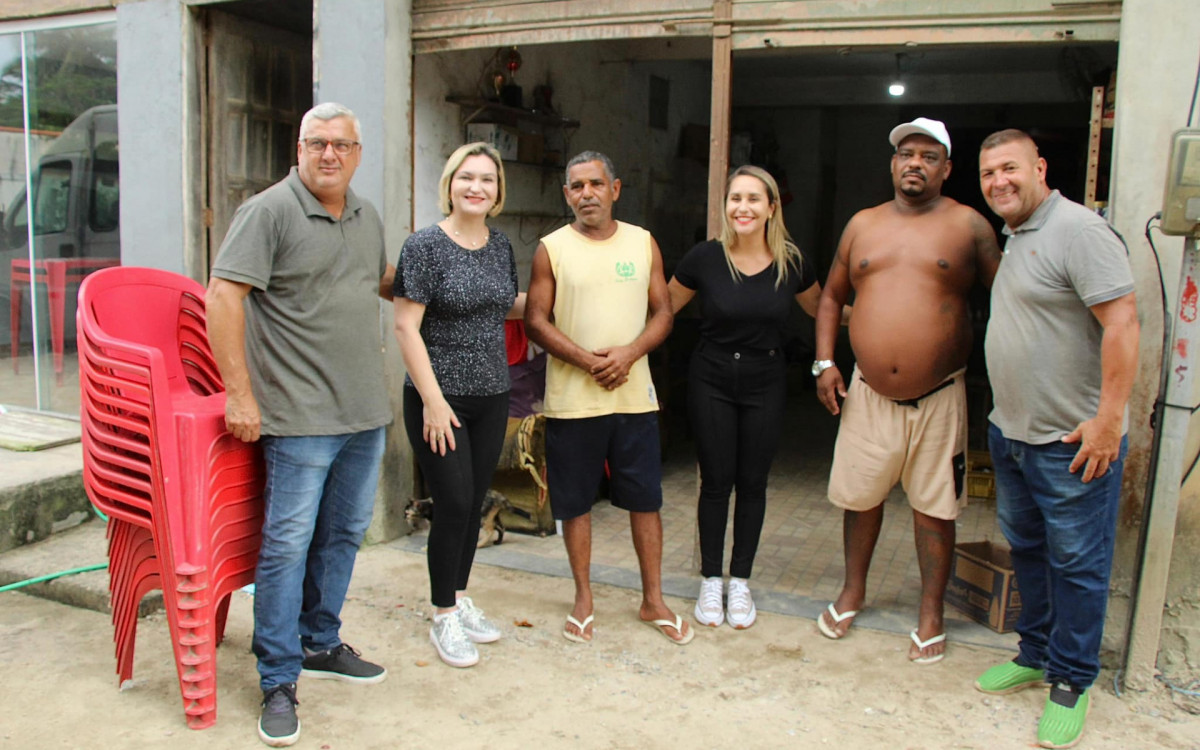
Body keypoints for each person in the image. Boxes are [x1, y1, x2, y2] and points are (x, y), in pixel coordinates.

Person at [206, 102, 394, 747]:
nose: (329, 155)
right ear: (299, 147)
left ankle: (320, 641)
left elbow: (374, 283)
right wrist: (240, 395)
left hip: (364, 411)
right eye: (316, 143)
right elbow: (224, 297)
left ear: (358, 153)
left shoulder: (367, 217)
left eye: (341, 144)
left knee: (343, 534)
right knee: (286, 546)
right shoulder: (267, 211)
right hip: (299, 414)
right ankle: (278, 676)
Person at [813, 117, 1002, 664]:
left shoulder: (970, 226)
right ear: (893, 164)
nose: (914, 163)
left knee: (935, 509)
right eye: (905, 154)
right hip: (868, 394)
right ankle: (853, 591)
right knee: (861, 498)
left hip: (941, 396)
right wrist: (824, 363)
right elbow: (830, 298)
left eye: (927, 155)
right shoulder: (862, 225)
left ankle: (931, 611)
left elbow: (1009, 299)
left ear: (946, 168)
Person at [974, 129, 1138, 749]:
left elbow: (1122, 324)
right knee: (1032, 554)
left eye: (1010, 169)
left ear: (1040, 167)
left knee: (1079, 564)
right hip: (1013, 437)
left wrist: (1109, 420)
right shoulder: (1019, 236)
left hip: (1069, 444)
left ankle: (1072, 679)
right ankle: (1037, 652)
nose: (999, 182)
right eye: (989, 174)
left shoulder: (1079, 231)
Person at [524, 150, 693, 646]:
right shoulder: (550, 248)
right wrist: (587, 360)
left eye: (595, 184)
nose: (586, 194)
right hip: (574, 402)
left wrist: (628, 354)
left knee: (645, 501)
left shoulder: (642, 243)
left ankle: (653, 599)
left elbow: (663, 313)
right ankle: (583, 598)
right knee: (575, 504)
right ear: (567, 195)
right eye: (576, 187)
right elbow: (536, 318)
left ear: (615, 189)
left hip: (633, 398)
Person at [667, 165, 831, 629]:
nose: (743, 207)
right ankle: (710, 582)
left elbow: (824, 312)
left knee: (753, 483)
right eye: (735, 198)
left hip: (766, 377)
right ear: (726, 206)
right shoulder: (704, 258)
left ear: (771, 208)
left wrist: (883, 316)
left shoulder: (792, 262)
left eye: (754, 199)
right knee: (716, 481)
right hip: (712, 376)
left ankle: (740, 581)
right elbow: (661, 306)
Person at [393, 142, 525, 668]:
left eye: (487, 179)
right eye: (466, 177)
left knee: (473, 502)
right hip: (436, 398)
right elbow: (406, 325)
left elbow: (506, 306)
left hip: (492, 396)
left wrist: (566, 293)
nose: (477, 187)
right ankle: (443, 615)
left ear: (498, 192)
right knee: (451, 500)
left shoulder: (500, 246)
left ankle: (461, 595)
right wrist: (431, 400)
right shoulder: (424, 246)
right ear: (449, 184)